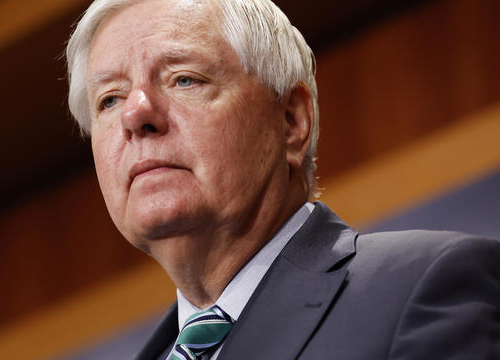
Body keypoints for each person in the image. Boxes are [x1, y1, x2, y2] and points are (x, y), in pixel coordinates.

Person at [65, 0, 500, 359]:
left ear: (291, 120)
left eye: (184, 79)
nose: (135, 114)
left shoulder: (424, 288)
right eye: (109, 100)